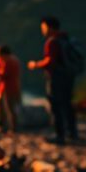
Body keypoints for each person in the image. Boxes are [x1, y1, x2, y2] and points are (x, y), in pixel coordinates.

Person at [28, 16, 78, 144]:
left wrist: (35, 65)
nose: (42, 30)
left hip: (56, 78)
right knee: (67, 104)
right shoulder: (65, 39)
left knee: (56, 106)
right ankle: (71, 132)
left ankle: (59, 135)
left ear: (49, 27)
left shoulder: (52, 42)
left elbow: (50, 61)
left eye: (43, 27)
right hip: (68, 76)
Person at [0, 45, 22, 132]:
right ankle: (2, 124)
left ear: (3, 54)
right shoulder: (9, 60)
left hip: (9, 88)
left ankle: (12, 128)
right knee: (1, 105)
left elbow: (2, 74)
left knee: (9, 108)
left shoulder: (9, 62)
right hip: (6, 88)